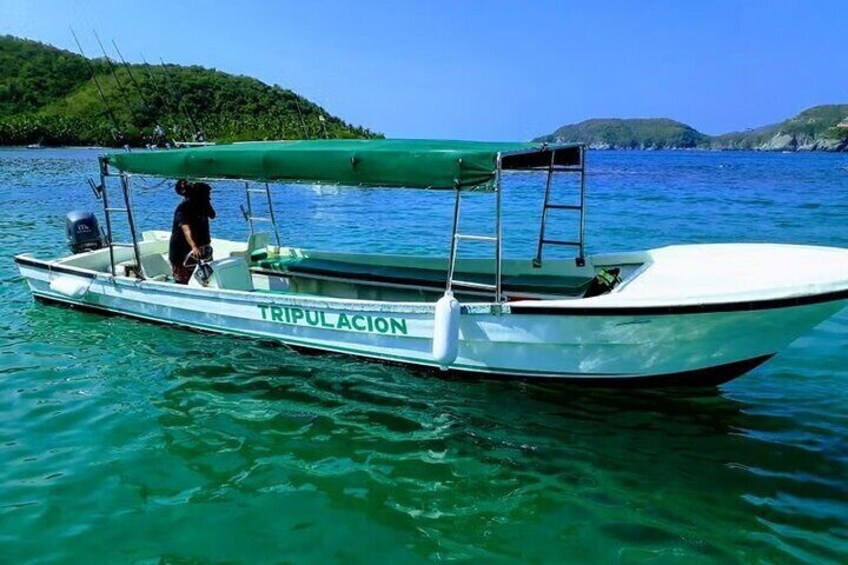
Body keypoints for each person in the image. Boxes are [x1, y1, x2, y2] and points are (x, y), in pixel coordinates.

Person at [169, 179, 216, 284]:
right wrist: (194, 247)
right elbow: (186, 230)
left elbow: (212, 214)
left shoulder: (202, 204)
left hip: (202, 246)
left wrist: (205, 199)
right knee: (183, 279)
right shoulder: (183, 208)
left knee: (207, 277)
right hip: (182, 250)